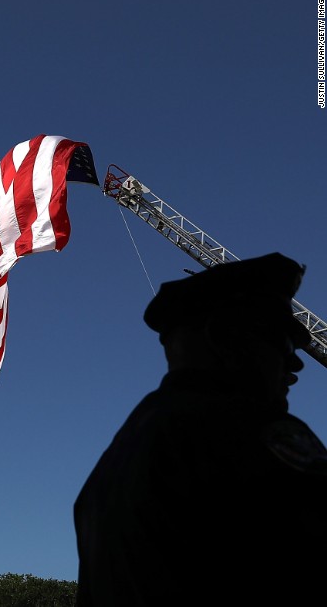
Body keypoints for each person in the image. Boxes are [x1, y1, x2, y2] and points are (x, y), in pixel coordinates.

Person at [73, 252, 327, 606]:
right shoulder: (246, 427)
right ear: (224, 338)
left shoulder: (112, 466)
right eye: (280, 341)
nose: (295, 361)